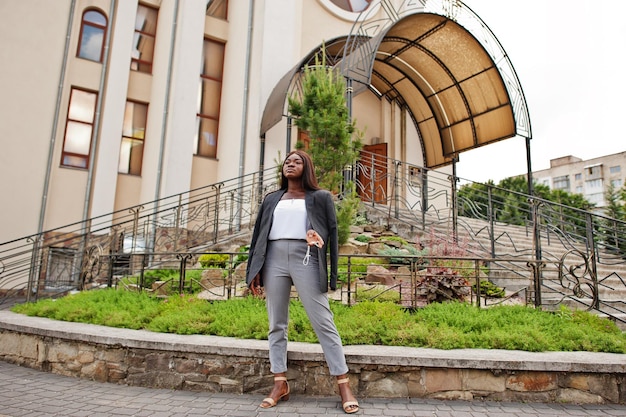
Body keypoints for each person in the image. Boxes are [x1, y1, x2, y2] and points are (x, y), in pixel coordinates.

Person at [246, 150, 359, 414]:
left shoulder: (320, 197)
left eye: (296, 161)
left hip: (305, 256)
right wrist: (253, 270)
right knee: (276, 323)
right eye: (287, 161)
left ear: (306, 167)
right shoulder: (272, 198)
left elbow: (331, 236)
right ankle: (279, 383)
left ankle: (343, 384)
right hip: (273, 257)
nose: (290, 164)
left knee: (323, 321)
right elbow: (258, 235)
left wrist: (331, 273)